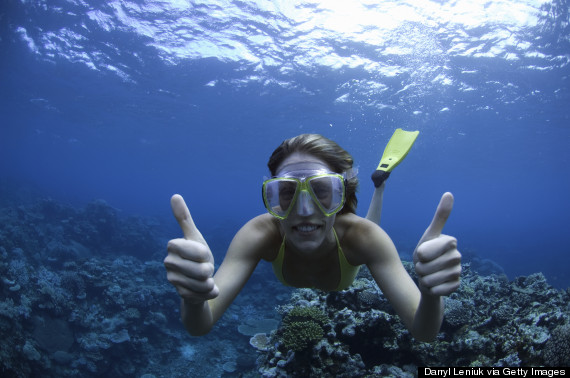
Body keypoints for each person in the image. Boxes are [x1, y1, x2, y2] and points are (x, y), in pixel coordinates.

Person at [164, 134, 461, 342]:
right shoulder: (258, 234)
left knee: (367, 230)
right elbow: (200, 325)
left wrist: (432, 297)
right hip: (351, 238)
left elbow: (424, 332)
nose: (304, 211)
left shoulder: (367, 238)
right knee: (363, 233)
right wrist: (193, 299)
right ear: (273, 197)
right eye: (288, 192)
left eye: (322, 190)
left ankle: (379, 186)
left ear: (340, 196)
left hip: (357, 239)